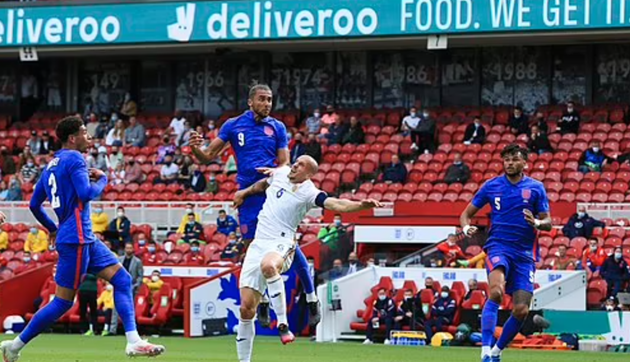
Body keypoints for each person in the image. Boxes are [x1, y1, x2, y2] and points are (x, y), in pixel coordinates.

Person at [0, 116, 165, 362]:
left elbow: (35, 205)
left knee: (122, 279)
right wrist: (104, 180)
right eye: (84, 133)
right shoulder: (75, 158)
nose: (89, 138)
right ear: (72, 138)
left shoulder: (50, 166)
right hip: (76, 239)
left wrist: (52, 228)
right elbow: (86, 193)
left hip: (82, 237)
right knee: (63, 302)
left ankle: (134, 341)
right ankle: (15, 346)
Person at [188, 84, 321, 329]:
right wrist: (195, 147)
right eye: (262, 99)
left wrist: (269, 179)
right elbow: (207, 156)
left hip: (272, 191)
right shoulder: (233, 125)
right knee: (253, 247)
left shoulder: (277, 127)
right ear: (250, 102)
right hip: (248, 197)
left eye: (270, 99)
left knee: (288, 244)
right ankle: (262, 302)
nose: (267, 104)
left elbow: (285, 166)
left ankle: (312, 298)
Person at [231, 155, 381, 357]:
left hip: (281, 242)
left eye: (301, 165)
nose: (295, 165)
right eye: (296, 161)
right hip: (258, 243)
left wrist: (361, 205)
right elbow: (262, 184)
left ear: (309, 174)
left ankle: (283, 324)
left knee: (269, 266)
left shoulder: (310, 192)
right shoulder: (281, 173)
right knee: (246, 310)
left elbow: (338, 205)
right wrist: (244, 192)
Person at [460, 143, 551, 362]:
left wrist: (537, 222)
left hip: (524, 255)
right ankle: (484, 350)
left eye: (514, 159)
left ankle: (496, 351)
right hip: (498, 247)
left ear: (524, 163)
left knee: (521, 309)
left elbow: (548, 222)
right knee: (496, 293)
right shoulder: (492, 186)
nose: (509, 163)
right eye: (506, 160)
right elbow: (466, 214)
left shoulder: (536, 187)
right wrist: (465, 227)